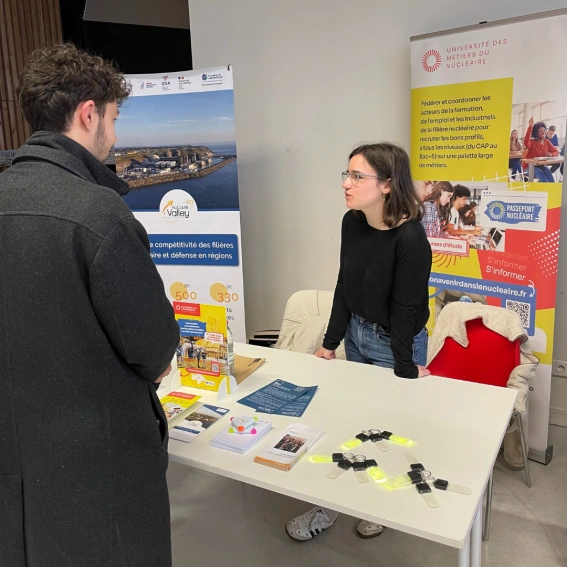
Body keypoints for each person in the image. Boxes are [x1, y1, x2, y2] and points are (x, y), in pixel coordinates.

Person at [0, 44, 180, 566]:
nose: (116, 135)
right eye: (114, 117)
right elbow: (154, 348)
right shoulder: (101, 216)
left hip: (18, 469)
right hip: (99, 475)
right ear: (88, 114)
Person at [285, 143, 432, 542]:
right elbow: (344, 284)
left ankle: (379, 504)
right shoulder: (352, 222)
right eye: (346, 175)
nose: (346, 184)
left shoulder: (412, 239)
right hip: (357, 336)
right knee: (351, 424)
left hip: (394, 342)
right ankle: (333, 503)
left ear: (387, 184)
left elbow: (405, 310)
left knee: (389, 431)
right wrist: (329, 343)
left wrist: (405, 368)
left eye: (357, 176)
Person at [524, 118, 558, 182]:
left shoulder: (547, 142)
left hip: (541, 166)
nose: (543, 133)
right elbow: (526, 142)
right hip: (529, 167)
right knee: (540, 173)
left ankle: (552, 190)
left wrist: (552, 154)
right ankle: (546, 190)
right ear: (536, 133)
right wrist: (530, 127)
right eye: (540, 131)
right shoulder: (532, 142)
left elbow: (556, 152)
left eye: (544, 131)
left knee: (548, 172)